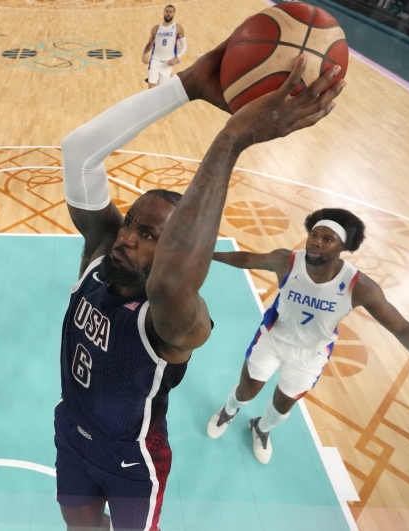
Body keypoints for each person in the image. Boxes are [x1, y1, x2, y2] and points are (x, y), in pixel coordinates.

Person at [55, 38, 344, 530]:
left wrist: (232, 139)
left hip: (132, 462)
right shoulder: (101, 260)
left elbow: (170, 282)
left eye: (149, 236)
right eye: (129, 222)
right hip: (70, 435)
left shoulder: (173, 321)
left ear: (176, 251)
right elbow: (77, 153)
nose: (126, 237)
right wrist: (184, 87)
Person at [206, 208, 409, 464]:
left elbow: (403, 328)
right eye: (314, 235)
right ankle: (229, 411)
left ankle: (261, 427)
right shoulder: (287, 260)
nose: (316, 242)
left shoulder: (359, 286)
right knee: (246, 390)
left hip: (311, 355)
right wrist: (206, 254)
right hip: (272, 339)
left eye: (327, 239)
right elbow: (247, 259)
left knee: (281, 407)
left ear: (343, 247)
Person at [141, 4, 186, 89]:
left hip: (167, 64)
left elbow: (184, 46)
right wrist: (144, 54)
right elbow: (150, 43)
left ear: (173, 14)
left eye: (171, 12)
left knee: (163, 91)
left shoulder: (177, 28)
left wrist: (176, 58)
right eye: (167, 11)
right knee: (151, 90)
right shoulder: (156, 28)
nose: (168, 13)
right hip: (155, 61)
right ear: (164, 13)